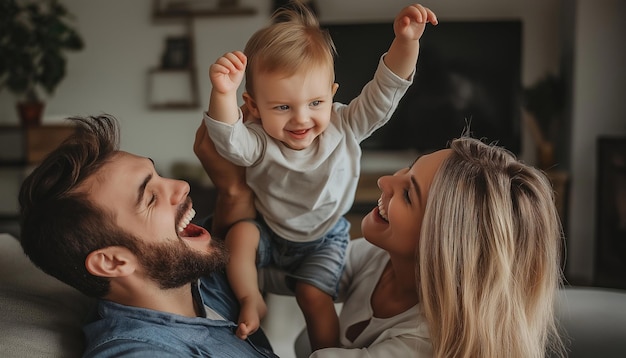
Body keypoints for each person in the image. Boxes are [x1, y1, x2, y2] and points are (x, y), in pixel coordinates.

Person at [196, 122, 566, 357]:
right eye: (407, 170)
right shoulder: (381, 260)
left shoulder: (422, 343)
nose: (387, 182)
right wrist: (235, 191)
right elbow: (275, 270)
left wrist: (233, 192)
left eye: (408, 194)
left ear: (440, 245)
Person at [203, 1, 438, 348]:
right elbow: (228, 141)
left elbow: (384, 93)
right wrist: (222, 92)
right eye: (282, 107)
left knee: (313, 297)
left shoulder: (344, 125)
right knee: (239, 238)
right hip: (271, 230)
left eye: (315, 103)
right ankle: (251, 298)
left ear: (331, 95)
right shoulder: (259, 139)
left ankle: (326, 353)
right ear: (253, 107)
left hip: (325, 238)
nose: (301, 119)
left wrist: (406, 42)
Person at [18, 114, 278, 358]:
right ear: (112, 261)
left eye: (157, 175)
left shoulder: (190, 274)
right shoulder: (139, 351)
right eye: (151, 198)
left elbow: (233, 215)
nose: (182, 186)